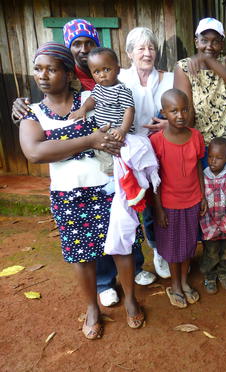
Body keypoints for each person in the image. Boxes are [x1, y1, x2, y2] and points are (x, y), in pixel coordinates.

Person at [11, 19, 156, 308]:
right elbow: (36, 152)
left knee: (122, 241)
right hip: (69, 192)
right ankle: (97, 297)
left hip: (106, 184)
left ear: (67, 72)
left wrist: (110, 136)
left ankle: (131, 291)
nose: (43, 75)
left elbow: (115, 121)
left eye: (51, 69)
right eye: (38, 69)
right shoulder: (33, 111)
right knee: (84, 252)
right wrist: (90, 141)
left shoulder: (92, 95)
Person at [118, 26, 175, 281]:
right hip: (129, 153)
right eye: (140, 48)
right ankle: (135, 262)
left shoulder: (169, 78)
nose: (147, 52)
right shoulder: (118, 79)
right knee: (131, 204)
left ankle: (158, 250)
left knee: (157, 203)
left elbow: (180, 109)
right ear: (130, 53)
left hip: (162, 149)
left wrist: (168, 124)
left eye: (151, 47)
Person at [150, 89, 207, 309]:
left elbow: (199, 169)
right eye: (174, 111)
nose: (180, 115)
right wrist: (159, 209)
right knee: (173, 248)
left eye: (185, 109)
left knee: (189, 244)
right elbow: (154, 179)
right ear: (164, 112)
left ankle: (184, 281)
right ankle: (174, 284)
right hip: (169, 204)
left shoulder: (196, 136)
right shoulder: (157, 141)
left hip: (192, 201)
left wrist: (202, 196)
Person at [174, 17, 226, 147]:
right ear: (196, 42)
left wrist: (208, 59)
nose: (209, 46)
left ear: (222, 45)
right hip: (199, 144)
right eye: (204, 41)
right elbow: (186, 112)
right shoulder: (184, 67)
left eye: (215, 42)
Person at [69, 47, 135, 176]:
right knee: (99, 149)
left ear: (117, 70)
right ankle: (114, 173)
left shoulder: (121, 90)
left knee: (109, 150)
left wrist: (122, 130)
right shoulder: (98, 88)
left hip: (116, 129)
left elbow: (129, 110)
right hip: (102, 129)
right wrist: (83, 109)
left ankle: (116, 177)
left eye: (106, 69)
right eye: (96, 72)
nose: (102, 75)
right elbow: (92, 99)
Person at [200, 138, 226, 294]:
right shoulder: (203, 177)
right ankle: (210, 276)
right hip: (209, 226)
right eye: (210, 157)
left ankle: (224, 273)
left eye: (218, 158)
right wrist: (210, 227)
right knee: (211, 252)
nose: (213, 161)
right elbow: (201, 206)